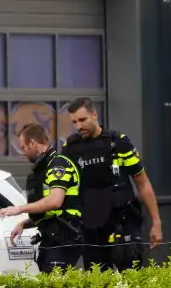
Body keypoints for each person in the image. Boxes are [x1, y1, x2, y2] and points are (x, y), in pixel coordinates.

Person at [61, 98, 162, 272]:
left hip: (123, 223)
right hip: (91, 227)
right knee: (98, 287)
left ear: (94, 115)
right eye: (74, 122)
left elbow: (143, 184)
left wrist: (156, 222)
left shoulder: (119, 143)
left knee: (134, 282)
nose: (79, 126)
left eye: (83, 120)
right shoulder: (70, 149)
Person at [0, 122, 84, 273]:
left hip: (64, 238)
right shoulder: (41, 170)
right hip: (50, 238)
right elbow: (48, 213)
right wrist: (24, 224)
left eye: (23, 147)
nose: (22, 153)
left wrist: (18, 209)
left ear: (32, 143)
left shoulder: (58, 164)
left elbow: (54, 202)